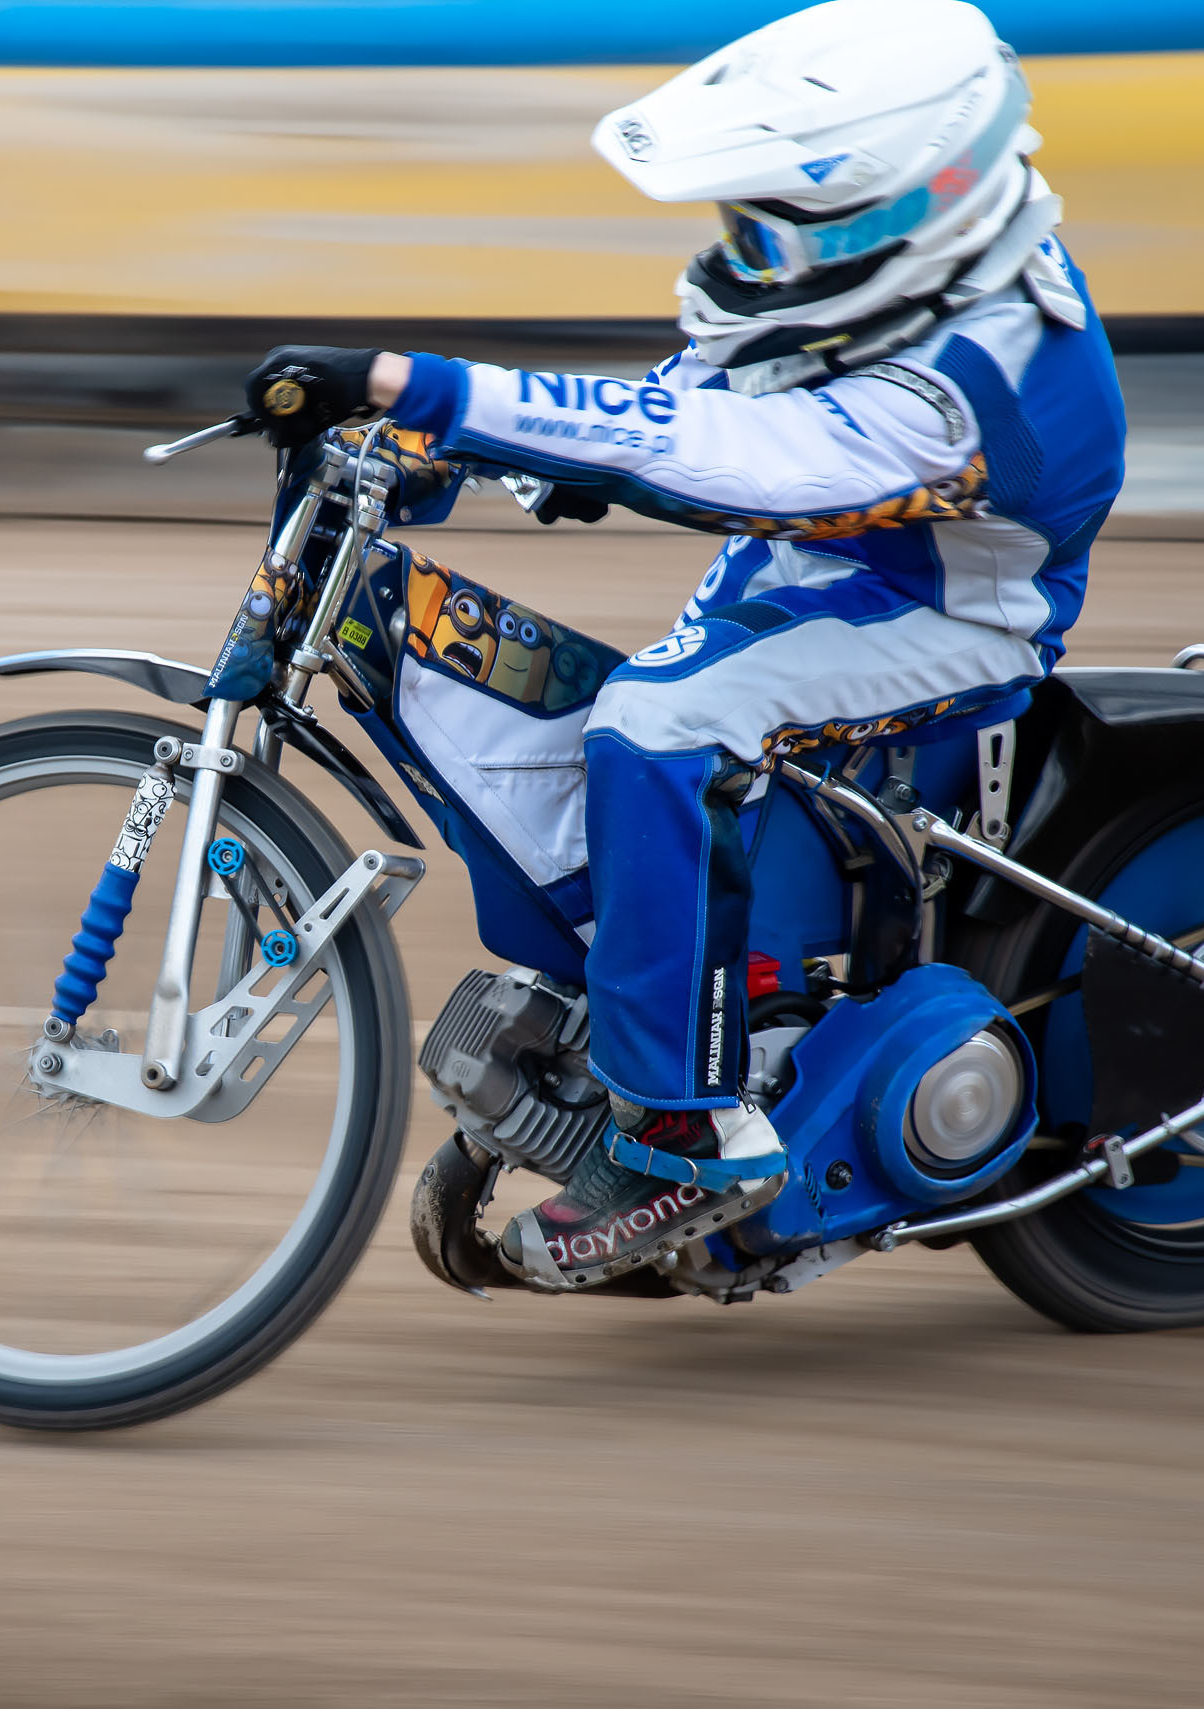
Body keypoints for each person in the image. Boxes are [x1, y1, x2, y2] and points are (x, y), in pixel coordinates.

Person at [239, 0, 1124, 1290]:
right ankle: (637, 1025)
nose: (748, 255)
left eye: (776, 229)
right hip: (824, 564)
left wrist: (416, 388)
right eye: (740, 223)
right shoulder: (915, 279)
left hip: (952, 619)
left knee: (660, 722)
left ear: (907, 209)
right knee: (602, 727)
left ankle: (685, 1134)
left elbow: (734, 454)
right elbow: (709, 395)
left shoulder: (980, 372)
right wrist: (458, 450)